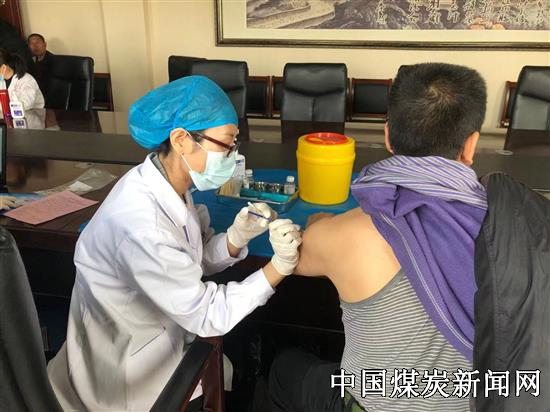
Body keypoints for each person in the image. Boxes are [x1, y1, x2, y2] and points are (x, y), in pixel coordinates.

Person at [47, 76, 302, 411]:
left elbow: (187, 259)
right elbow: (208, 315)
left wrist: (234, 240)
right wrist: (279, 267)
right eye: (226, 144)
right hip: (130, 374)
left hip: (159, 328)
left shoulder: (165, 181)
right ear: (181, 139)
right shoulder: (143, 226)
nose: (232, 155)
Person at [268, 63, 488, 412]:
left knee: (284, 368)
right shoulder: (509, 228)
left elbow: (293, 257)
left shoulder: (346, 233)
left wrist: (323, 223)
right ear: (471, 144)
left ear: (388, 136)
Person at [27, 33, 54, 97]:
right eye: (32, 44)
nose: (35, 46)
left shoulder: (52, 60)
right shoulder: (31, 60)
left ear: (45, 44)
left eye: (38, 42)